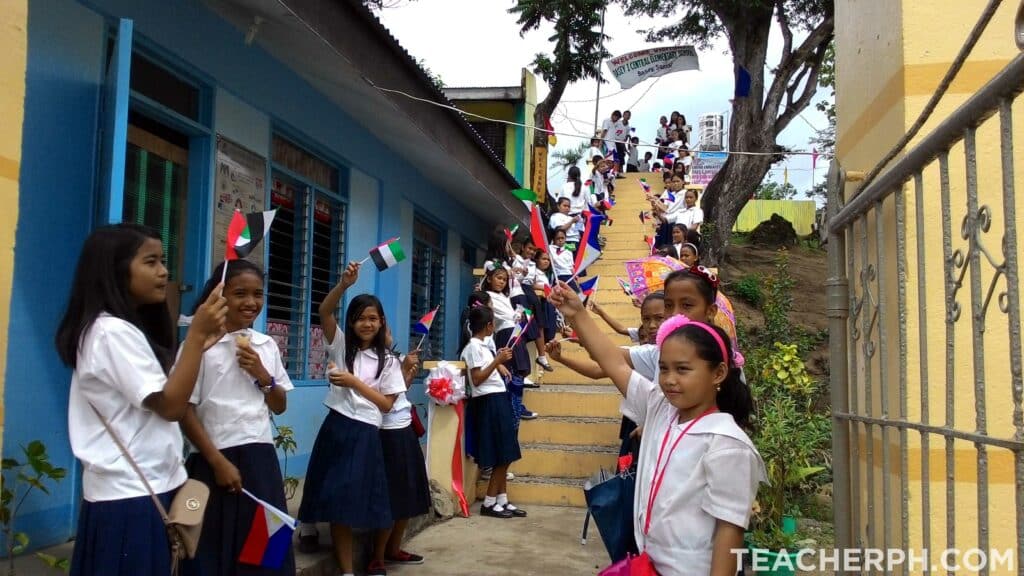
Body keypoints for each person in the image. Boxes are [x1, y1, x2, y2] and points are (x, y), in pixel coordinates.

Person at [548, 283, 765, 576]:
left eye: (683, 369)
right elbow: (613, 362)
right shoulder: (660, 407)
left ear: (718, 373)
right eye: (663, 369)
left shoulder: (727, 444)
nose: (670, 379)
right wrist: (577, 313)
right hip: (649, 564)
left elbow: (730, 533)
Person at [57, 224, 227, 576]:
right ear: (114, 269)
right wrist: (194, 338)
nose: (163, 271)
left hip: (147, 489)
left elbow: (161, 395)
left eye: (163, 260)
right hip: (130, 497)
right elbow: (171, 406)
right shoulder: (110, 332)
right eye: (150, 261)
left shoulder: (120, 329)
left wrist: (196, 347)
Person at [181, 260, 295, 576]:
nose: (250, 302)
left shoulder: (265, 345)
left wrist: (262, 375)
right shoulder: (198, 346)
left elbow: (280, 404)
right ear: (219, 296)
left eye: (258, 294)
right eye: (239, 293)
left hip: (261, 460)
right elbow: (183, 410)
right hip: (212, 460)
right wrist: (217, 462)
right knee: (208, 550)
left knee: (267, 550)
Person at [299, 263, 406, 576]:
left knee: (361, 501)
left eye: (373, 318)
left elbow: (386, 405)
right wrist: (344, 285)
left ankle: (376, 559)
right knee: (334, 498)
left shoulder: (389, 362)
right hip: (338, 426)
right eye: (360, 318)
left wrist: (355, 383)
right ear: (352, 322)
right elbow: (324, 311)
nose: (366, 324)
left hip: (367, 433)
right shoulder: (341, 345)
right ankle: (346, 570)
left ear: (381, 321)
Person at [460, 306, 526, 519]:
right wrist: (497, 361)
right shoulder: (472, 347)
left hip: (497, 397)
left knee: (506, 451)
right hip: (488, 401)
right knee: (501, 453)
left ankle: (502, 499)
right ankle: (489, 501)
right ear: (489, 326)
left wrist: (498, 362)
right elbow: (477, 378)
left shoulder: (483, 346)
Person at [372, 330, 429, 569]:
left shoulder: (393, 359)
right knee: (393, 497)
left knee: (408, 492)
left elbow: (398, 395)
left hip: (405, 428)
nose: (388, 333)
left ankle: (394, 549)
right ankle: (377, 557)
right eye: (384, 329)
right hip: (388, 433)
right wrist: (402, 369)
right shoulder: (371, 361)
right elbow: (383, 403)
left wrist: (405, 375)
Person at [481, 264, 536, 421]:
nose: (502, 282)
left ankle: (517, 405)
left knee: (520, 370)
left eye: (505, 279)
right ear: (489, 278)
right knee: (510, 371)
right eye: (498, 278)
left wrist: (520, 315)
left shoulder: (506, 296)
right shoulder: (486, 296)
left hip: (515, 331)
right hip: (505, 333)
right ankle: (511, 407)